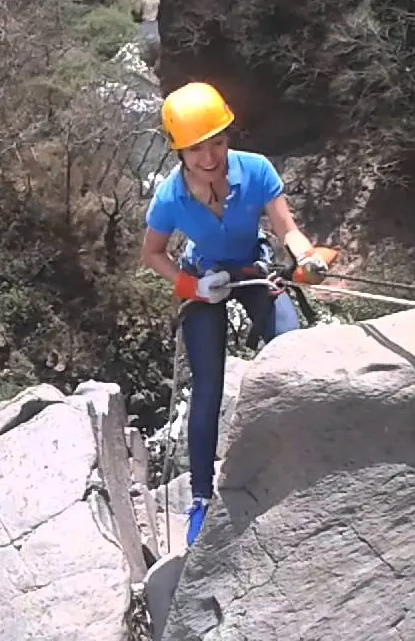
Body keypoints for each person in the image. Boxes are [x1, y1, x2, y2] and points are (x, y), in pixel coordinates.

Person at [139, 81, 338, 547]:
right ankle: (202, 497)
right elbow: (152, 253)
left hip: (252, 266)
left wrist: (305, 258)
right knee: (207, 385)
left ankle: (300, 459)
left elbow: (286, 227)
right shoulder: (170, 199)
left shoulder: (256, 171)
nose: (209, 157)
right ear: (178, 152)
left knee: (290, 349)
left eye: (218, 142)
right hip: (205, 277)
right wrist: (190, 287)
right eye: (196, 149)